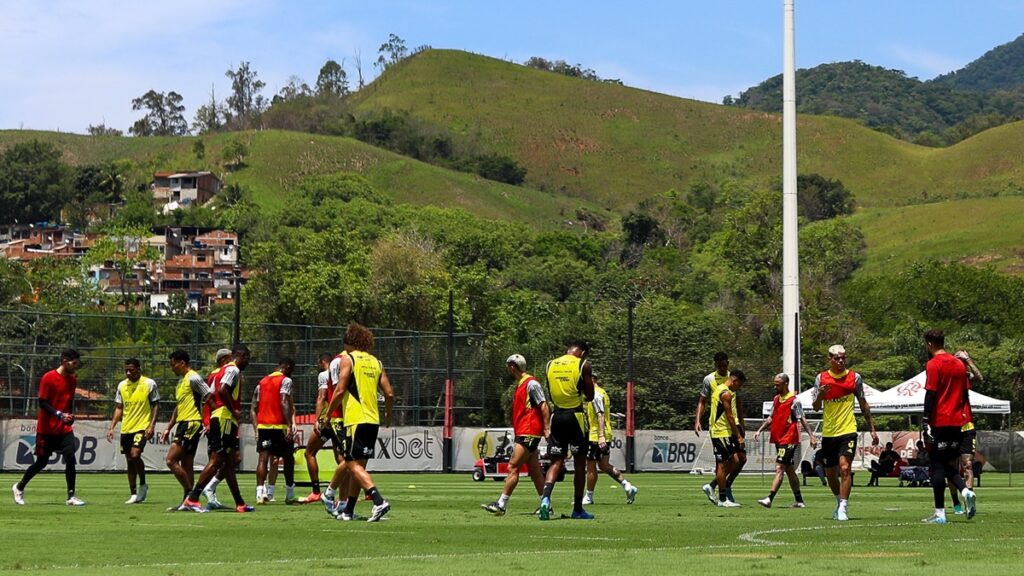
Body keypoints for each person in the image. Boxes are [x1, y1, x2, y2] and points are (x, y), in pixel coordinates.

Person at [324, 323, 395, 522]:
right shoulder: (376, 362)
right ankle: (348, 511)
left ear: (351, 342)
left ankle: (378, 501)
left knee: (350, 462)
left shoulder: (350, 359)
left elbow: (339, 390)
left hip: (355, 419)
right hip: (373, 420)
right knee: (359, 466)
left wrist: (328, 414)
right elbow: (389, 394)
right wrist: (388, 415)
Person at [812, 344, 879, 521]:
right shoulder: (821, 378)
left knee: (845, 467)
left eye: (843, 358)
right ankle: (838, 500)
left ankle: (843, 507)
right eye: (837, 358)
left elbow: (864, 403)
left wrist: (872, 428)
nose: (841, 361)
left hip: (848, 430)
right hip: (828, 433)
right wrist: (820, 395)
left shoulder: (854, 378)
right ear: (830, 359)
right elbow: (816, 407)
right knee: (830, 473)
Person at [183, 344, 253, 513]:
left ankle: (240, 503)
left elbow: (212, 392)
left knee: (228, 463)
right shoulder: (233, 370)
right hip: (224, 418)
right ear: (240, 355)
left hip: (219, 417)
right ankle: (193, 498)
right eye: (247, 359)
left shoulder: (219, 371)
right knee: (217, 460)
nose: (247, 363)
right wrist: (234, 410)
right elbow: (222, 391)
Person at [12, 349, 86, 506]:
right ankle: (19, 486)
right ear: (65, 361)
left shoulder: (72, 381)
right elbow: (42, 402)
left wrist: (69, 416)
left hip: (64, 429)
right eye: (74, 363)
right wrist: (59, 414)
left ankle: (71, 496)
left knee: (70, 456)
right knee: (41, 462)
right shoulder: (48, 377)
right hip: (46, 429)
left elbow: (69, 401)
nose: (75, 366)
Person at [482, 354, 551, 515]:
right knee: (534, 470)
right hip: (526, 431)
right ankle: (546, 505)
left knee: (513, 466)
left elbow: (544, 406)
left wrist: (547, 428)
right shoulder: (521, 384)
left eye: (508, 366)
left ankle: (501, 504)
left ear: (513, 366)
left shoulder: (531, 383)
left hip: (529, 431)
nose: (508, 369)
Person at [921, 329, 976, 523]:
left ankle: (939, 513)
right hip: (958, 421)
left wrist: (926, 420)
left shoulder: (933, 364)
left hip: (940, 421)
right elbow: (965, 394)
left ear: (929, 344)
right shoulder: (959, 365)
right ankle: (965, 491)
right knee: (947, 464)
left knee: (937, 466)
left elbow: (931, 393)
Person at [537, 340, 597, 520]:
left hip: (557, 416)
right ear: (583, 352)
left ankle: (545, 500)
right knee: (580, 465)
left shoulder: (550, 365)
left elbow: (549, 391)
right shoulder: (582, 365)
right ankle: (578, 509)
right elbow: (590, 395)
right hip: (575, 417)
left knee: (556, 462)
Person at [754, 373, 817, 508]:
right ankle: (799, 501)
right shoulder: (776, 399)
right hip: (778, 438)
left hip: (789, 439)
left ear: (786, 383)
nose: (775, 386)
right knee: (789, 470)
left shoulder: (794, 401)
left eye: (777, 384)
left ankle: (769, 498)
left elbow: (802, 418)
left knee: (779, 468)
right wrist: (760, 429)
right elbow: (771, 418)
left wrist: (811, 436)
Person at [161, 349, 213, 508]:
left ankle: (192, 495)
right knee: (187, 463)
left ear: (182, 363)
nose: (172, 368)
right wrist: (169, 427)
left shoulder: (194, 378)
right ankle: (188, 501)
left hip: (191, 422)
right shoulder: (181, 382)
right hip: (183, 423)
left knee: (170, 460)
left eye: (173, 364)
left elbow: (209, 395)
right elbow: (179, 407)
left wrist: (210, 420)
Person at [106, 358, 159, 504]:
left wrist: (151, 425)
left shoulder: (149, 383)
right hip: (127, 428)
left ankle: (143, 484)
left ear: (139, 369)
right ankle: (133, 493)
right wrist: (112, 427)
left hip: (142, 427)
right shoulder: (122, 385)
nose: (128, 373)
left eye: (131, 370)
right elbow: (119, 408)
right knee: (129, 460)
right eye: (126, 370)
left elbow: (155, 405)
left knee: (135, 455)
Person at [697, 352, 746, 504]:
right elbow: (703, 400)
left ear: (728, 364)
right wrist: (698, 420)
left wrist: (741, 425)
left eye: (724, 365)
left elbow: (736, 404)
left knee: (739, 459)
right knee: (723, 463)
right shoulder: (712, 381)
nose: (722, 367)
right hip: (721, 428)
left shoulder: (732, 381)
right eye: (719, 365)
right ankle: (723, 495)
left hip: (732, 426)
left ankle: (715, 485)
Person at [582, 378, 638, 505]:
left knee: (590, 466)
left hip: (597, 435)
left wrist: (600, 435)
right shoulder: (603, 393)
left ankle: (588, 497)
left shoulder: (595, 395)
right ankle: (627, 486)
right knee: (604, 465)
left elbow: (600, 415)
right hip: (605, 434)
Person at [300, 353, 345, 503]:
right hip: (342, 418)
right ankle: (354, 493)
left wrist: (317, 420)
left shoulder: (324, 375)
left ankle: (316, 491)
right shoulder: (342, 372)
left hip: (328, 419)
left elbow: (322, 397)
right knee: (343, 459)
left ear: (321, 362)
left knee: (309, 453)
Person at [251, 358, 298, 504]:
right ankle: (290, 495)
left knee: (263, 459)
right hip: (279, 426)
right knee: (288, 459)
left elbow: (253, 407)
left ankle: (260, 494)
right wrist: (290, 424)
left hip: (263, 426)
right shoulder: (285, 381)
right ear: (287, 367)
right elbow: (284, 401)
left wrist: (256, 427)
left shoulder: (262, 382)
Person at [199, 348, 234, 509]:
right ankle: (201, 492)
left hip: (227, 419)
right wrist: (206, 421)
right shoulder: (217, 374)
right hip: (219, 420)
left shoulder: (228, 372)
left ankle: (209, 491)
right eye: (230, 357)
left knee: (228, 459)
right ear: (223, 359)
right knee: (217, 459)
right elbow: (208, 398)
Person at [710, 370, 747, 507]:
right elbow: (730, 416)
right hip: (721, 432)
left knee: (736, 460)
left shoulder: (719, 389)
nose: (738, 388)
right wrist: (738, 435)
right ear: (734, 381)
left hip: (722, 431)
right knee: (722, 464)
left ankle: (714, 486)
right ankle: (722, 499)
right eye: (739, 385)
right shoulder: (725, 393)